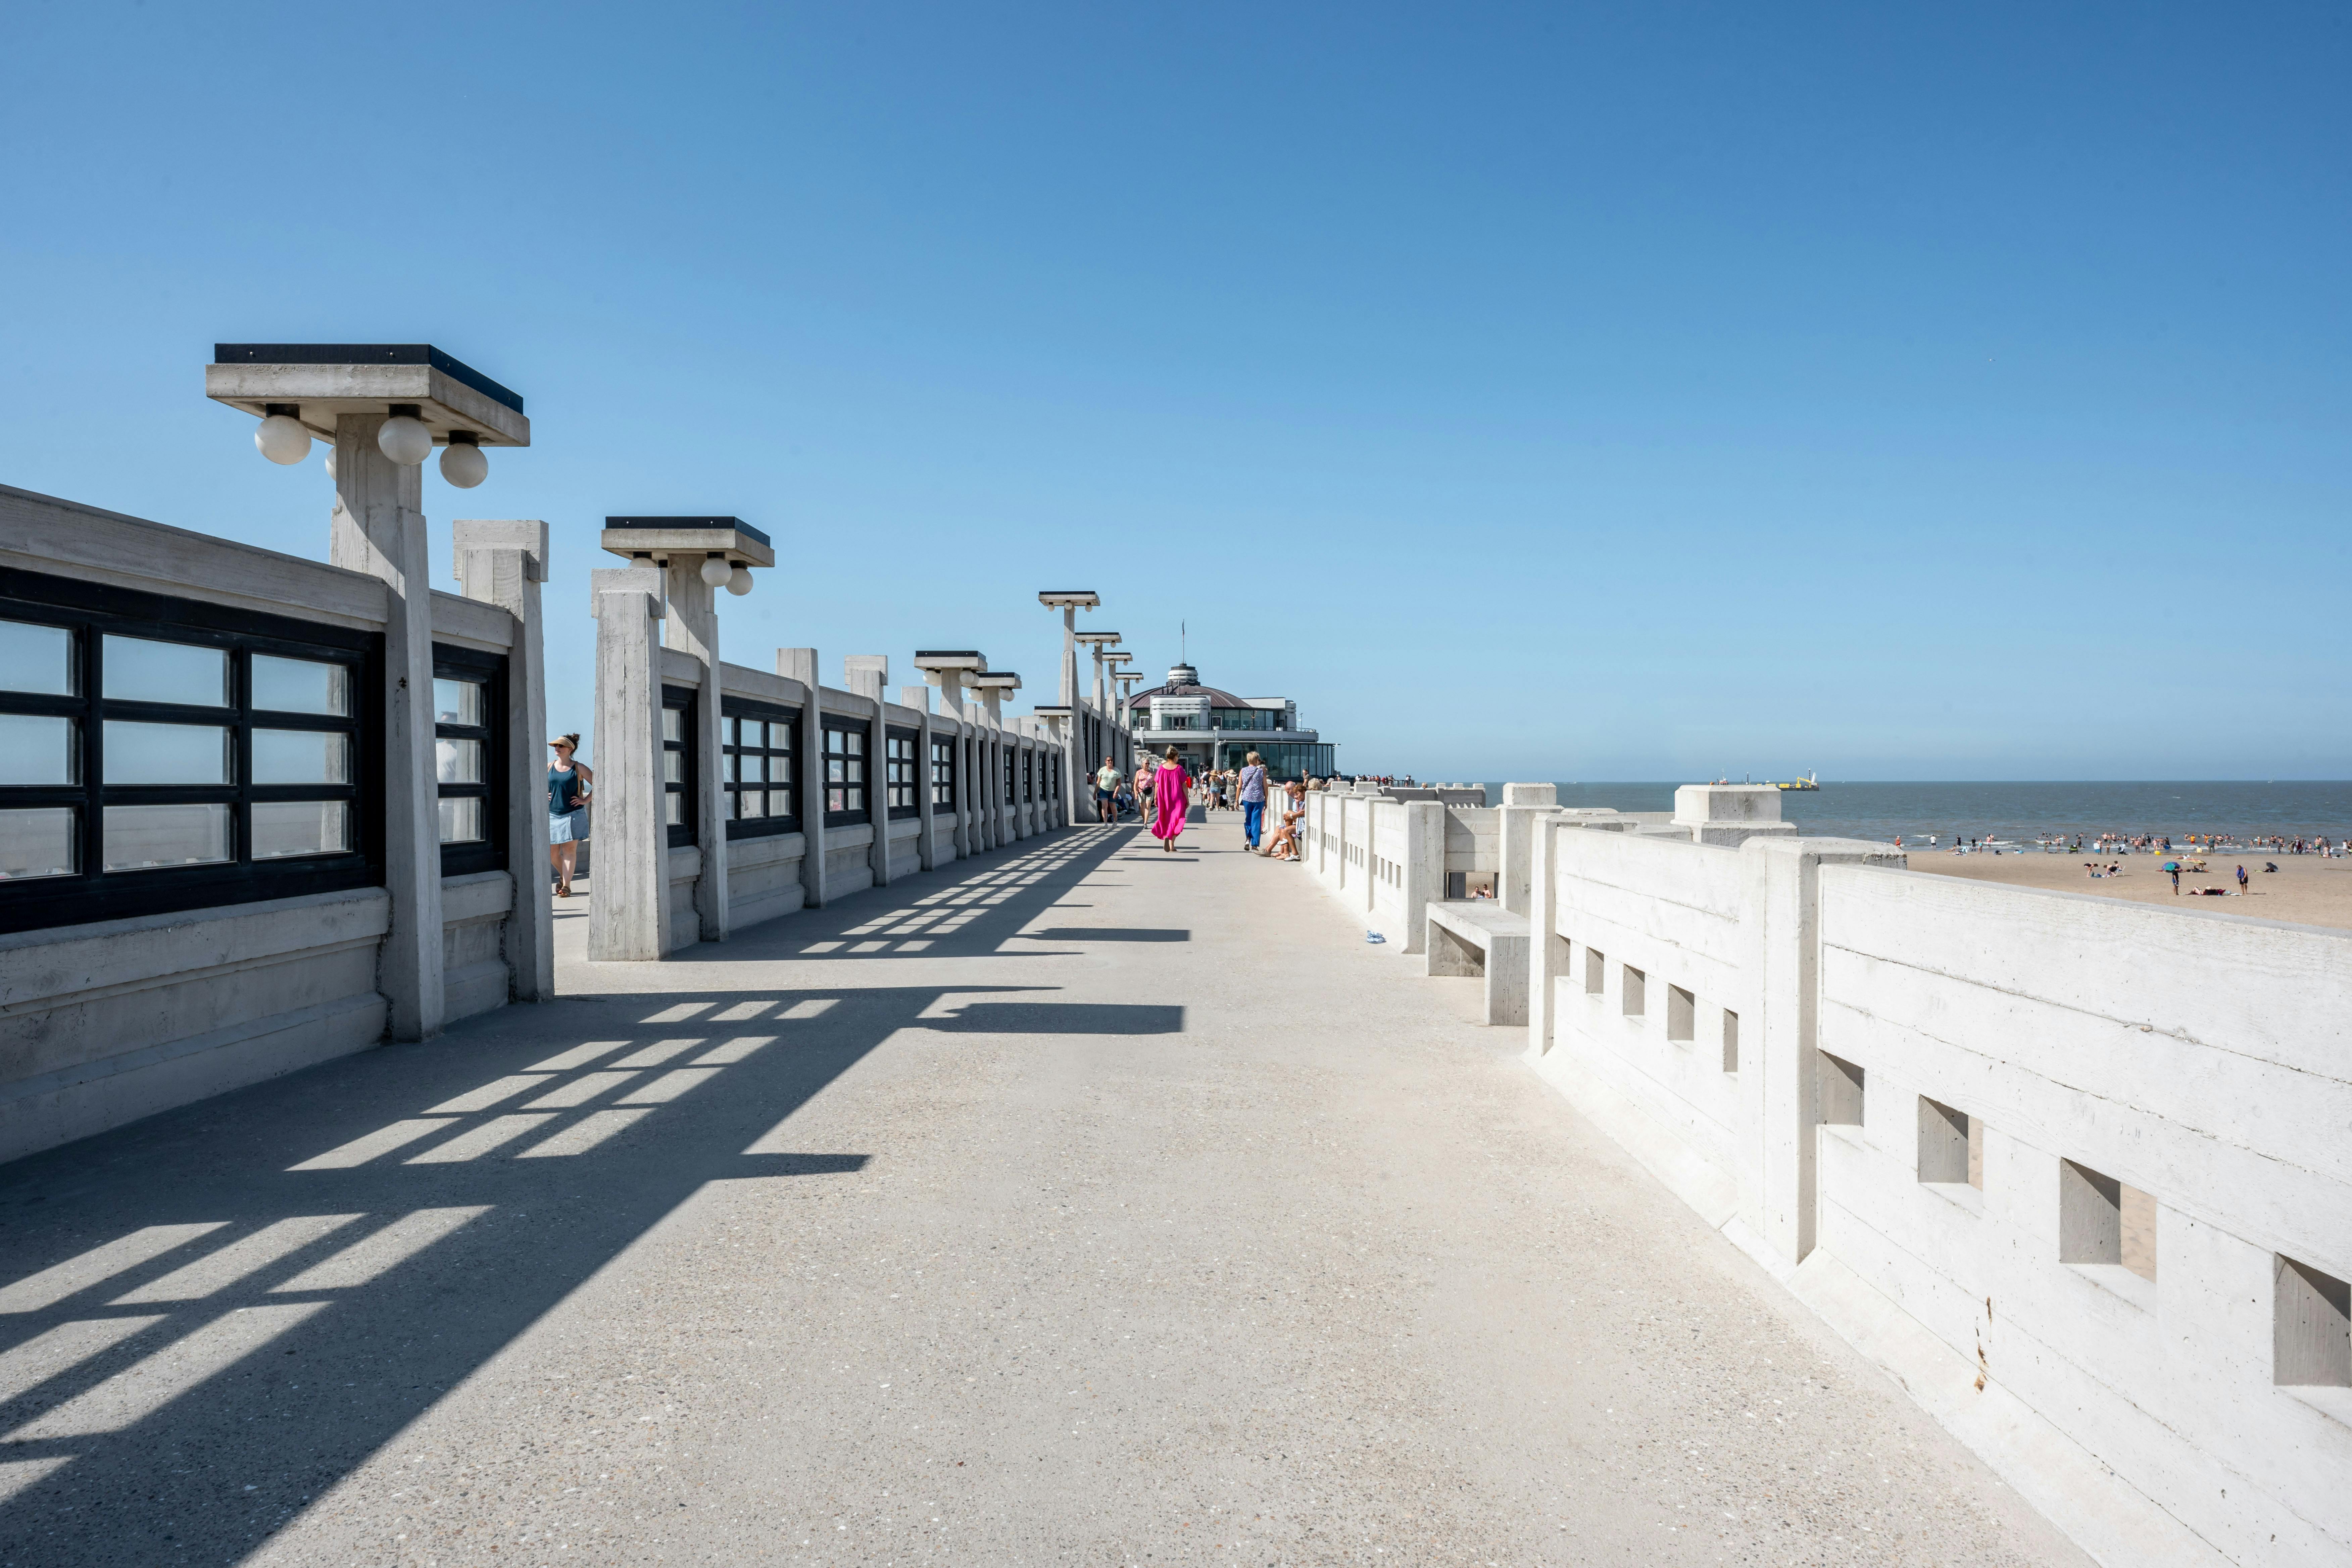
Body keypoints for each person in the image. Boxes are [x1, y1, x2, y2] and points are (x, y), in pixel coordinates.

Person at [548, 734, 593, 899]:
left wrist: (585, 800)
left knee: (569, 851)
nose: (557, 749)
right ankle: (563, 876)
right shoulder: (549, 767)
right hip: (552, 814)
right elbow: (536, 785)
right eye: (555, 746)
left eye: (560, 746)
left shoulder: (579, 768)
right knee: (552, 854)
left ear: (570, 749)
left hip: (573, 814)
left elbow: (601, 783)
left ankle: (566, 886)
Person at [1150, 745, 1188, 852]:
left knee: (1166, 819)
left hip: (1164, 798)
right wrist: (1187, 800)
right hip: (1178, 798)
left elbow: (1157, 785)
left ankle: (1167, 836)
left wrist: (1156, 798)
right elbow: (1184, 786)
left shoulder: (1161, 769)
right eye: (1178, 757)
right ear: (1175, 757)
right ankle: (1172, 845)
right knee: (1178, 820)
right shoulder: (1179, 769)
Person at [1238, 751, 1269, 852]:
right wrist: (1266, 800)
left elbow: (1239, 787)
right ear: (1256, 760)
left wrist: (1235, 801)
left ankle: (1248, 838)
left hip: (1247, 798)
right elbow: (1265, 787)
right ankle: (1255, 845)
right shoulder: (1261, 771)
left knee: (1249, 820)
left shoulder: (1243, 771)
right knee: (1257, 821)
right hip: (1259, 799)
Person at [1094, 755, 1120, 824]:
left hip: (1113, 791)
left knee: (1113, 806)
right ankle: (1105, 823)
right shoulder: (1102, 770)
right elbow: (1098, 783)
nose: (1110, 762)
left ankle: (1115, 820)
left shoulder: (1116, 771)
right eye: (1109, 760)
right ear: (1106, 762)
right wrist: (1095, 793)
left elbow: (1119, 784)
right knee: (1104, 805)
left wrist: (1116, 792)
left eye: (1111, 760)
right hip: (1103, 790)